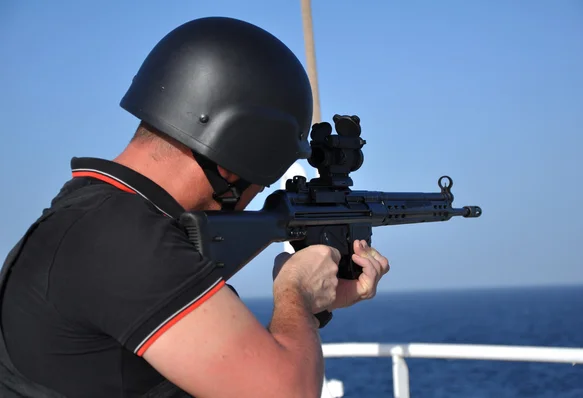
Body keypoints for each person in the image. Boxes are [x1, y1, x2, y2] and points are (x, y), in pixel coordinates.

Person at [0, 16, 390, 398]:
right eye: (262, 183)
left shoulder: (94, 219)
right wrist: (296, 294)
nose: (254, 198)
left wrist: (309, 306)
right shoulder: (123, 242)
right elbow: (289, 392)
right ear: (230, 167)